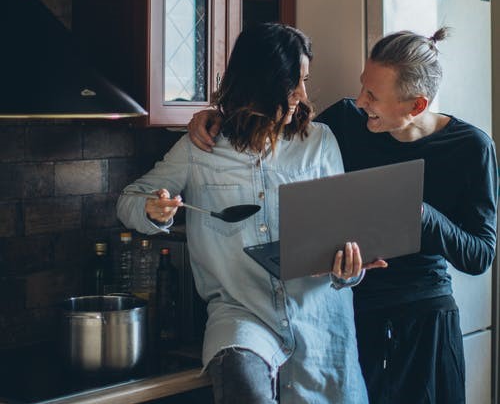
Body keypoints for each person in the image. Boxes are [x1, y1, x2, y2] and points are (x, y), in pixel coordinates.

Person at [186, 27, 498, 404]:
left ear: (416, 105)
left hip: (426, 319)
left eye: (373, 96)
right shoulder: (348, 122)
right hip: (359, 316)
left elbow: (480, 254)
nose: (360, 101)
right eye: (363, 86)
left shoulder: (472, 148)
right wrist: (213, 118)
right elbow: (274, 124)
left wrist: (421, 213)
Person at [117, 22, 385, 404]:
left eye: (305, 80)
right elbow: (128, 200)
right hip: (241, 316)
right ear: (261, 82)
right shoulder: (199, 148)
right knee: (244, 384)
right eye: (293, 82)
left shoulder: (320, 141)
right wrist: (153, 209)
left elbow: (345, 234)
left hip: (320, 321)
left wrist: (350, 269)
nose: (302, 94)